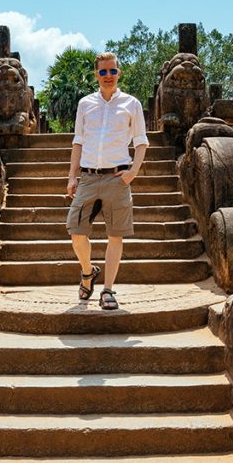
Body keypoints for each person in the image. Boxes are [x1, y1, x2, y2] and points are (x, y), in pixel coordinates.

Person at [65, 51, 149, 310]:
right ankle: (88, 272)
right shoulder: (85, 104)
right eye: (103, 72)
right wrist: (72, 176)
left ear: (119, 73)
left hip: (117, 177)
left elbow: (141, 141)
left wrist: (132, 172)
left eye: (112, 71)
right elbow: (78, 141)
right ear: (96, 75)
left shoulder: (131, 104)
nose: (108, 76)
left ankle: (108, 290)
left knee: (116, 236)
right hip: (89, 177)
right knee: (76, 233)